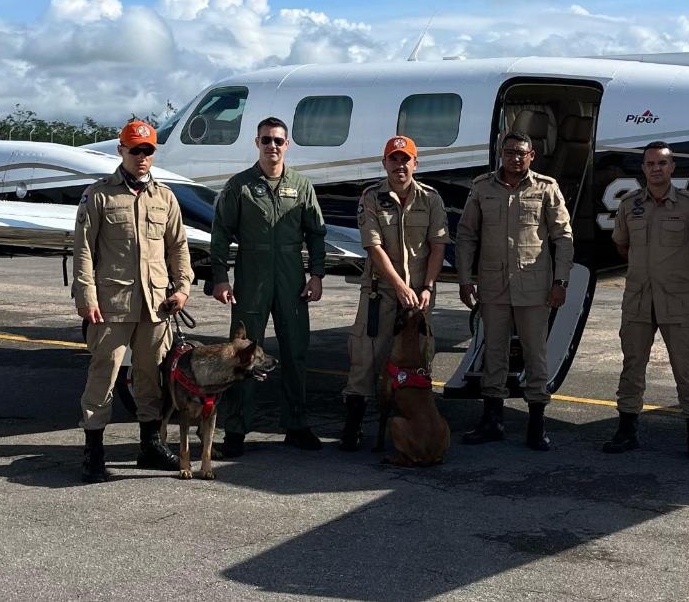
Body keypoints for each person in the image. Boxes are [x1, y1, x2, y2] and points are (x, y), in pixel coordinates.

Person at [74, 120, 193, 483]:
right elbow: (83, 251)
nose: (142, 157)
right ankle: (94, 452)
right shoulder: (98, 195)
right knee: (104, 375)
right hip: (111, 303)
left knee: (150, 377)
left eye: (148, 150)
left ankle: (150, 447)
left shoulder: (165, 197)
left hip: (155, 305)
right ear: (121, 150)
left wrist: (182, 287)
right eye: (135, 149)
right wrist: (86, 297)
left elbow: (178, 247)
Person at [210, 116, 327, 456]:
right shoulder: (240, 186)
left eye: (278, 140)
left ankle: (296, 425)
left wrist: (316, 274)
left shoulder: (301, 186)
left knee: (295, 352)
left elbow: (316, 233)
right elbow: (221, 234)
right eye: (266, 140)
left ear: (286, 144)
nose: (272, 146)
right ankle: (235, 430)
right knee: (242, 355)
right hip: (252, 276)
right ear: (257, 144)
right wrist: (220, 277)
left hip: (291, 278)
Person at [456, 131, 574, 450]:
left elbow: (563, 238)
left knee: (536, 354)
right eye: (510, 152)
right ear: (500, 153)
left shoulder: (546, 188)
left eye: (522, 153)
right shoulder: (482, 188)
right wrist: (466, 280)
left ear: (532, 155)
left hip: (534, 288)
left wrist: (560, 282)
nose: (516, 158)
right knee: (494, 353)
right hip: (493, 287)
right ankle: (492, 420)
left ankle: (536, 424)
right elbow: (467, 235)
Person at [603, 142, 689, 459]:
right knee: (632, 366)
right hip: (638, 298)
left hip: (676, 300)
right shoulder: (629, 205)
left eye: (662, 163)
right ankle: (627, 431)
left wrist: (675, 273)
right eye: (650, 163)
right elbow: (622, 246)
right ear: (643, 168)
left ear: (672, 167)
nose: (656, 168)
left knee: (686, 368)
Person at [339, 135, 449, 451]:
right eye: (394, 159)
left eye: (405, 159)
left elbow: (438, 245)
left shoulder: (431, 199)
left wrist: (426, 287)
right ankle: (353, 426)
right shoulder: (371, 198)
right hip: (382, 292)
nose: (399, 165)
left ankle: (415, 422)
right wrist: (399, 287)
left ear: (415, 163)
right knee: (366, 355)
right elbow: (373, 246)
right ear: (384, 163)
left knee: (418, 359)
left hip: (419, 295)